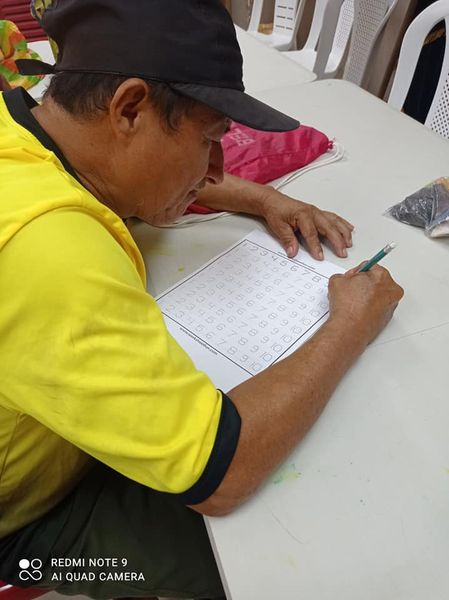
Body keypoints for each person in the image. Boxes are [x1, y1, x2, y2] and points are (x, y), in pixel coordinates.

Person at [0, 1, 403, 599]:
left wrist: (263, 198)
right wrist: (350, 323)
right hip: (24, 525)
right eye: (210, 139)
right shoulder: (52, 254)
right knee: (274, 558)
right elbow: (222, 471)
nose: (215, 169)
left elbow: (128, 173)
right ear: (128, 109)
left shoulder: (22, 126)